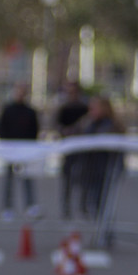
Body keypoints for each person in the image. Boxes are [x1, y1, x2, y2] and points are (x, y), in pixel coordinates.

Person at [0, 83, 40, 221]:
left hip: (26, 151)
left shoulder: (30, 111)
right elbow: (1, 128)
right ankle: (7, 207)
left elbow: (35, 130)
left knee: (27, 178)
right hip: (10, 150)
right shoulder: (7, 110)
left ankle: (30, 205)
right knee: (8, 179)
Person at [78, 95, 124, 220]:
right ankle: (101, 232)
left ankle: (104, 234)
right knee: (91, 204)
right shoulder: (89, 123)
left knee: (103, 204)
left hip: (105, 171)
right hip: (90, 171)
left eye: (94, 108)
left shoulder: (112, 126)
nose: (91, 111)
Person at [54, 80, 88, 219]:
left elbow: (88, 125)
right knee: (67, 179)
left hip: (82, 150)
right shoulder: (64, 108)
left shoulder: (84, 107)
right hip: (68, 149)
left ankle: (83, 206)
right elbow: (57, 124)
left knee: (83, 179)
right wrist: (63, 131)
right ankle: (66, 207)